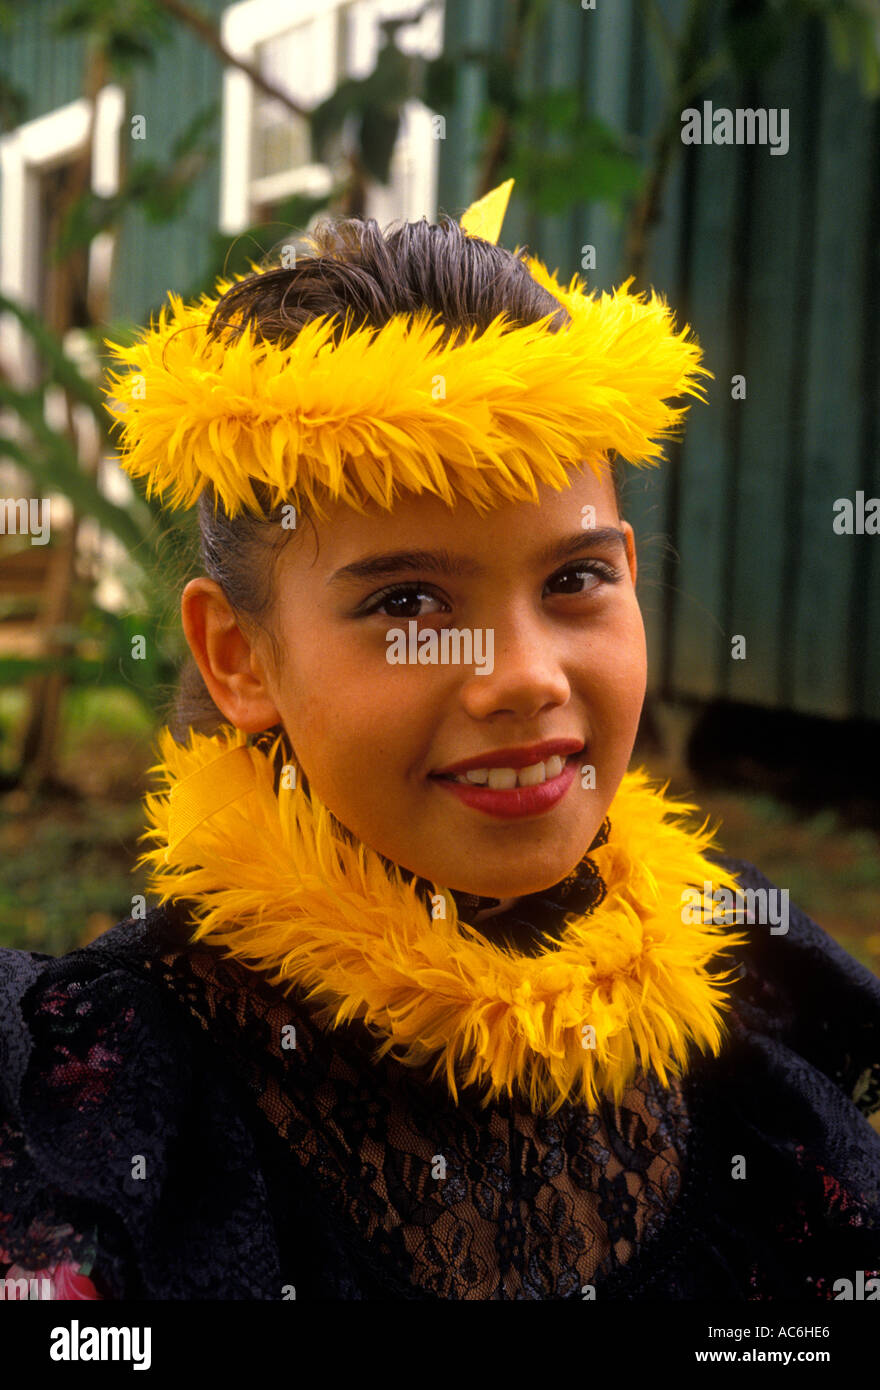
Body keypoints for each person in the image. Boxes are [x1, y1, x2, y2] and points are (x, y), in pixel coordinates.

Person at [1, 182, 878, 1302]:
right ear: (239, 659)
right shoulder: (102, 1117)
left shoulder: (746, 991)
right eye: (408, 604)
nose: (524, 675)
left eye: (574, 579)